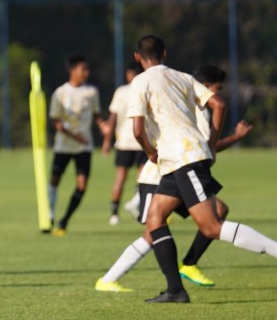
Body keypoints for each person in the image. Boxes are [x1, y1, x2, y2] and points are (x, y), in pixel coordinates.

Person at [126, 35, 277, 303]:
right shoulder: (183, 76)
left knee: (210, 227)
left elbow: (137, 129)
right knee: (155, 218)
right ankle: (175, 291)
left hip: (183, 157)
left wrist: (150, 152)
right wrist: (212, 142)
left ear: (138, 58)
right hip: (176, 160)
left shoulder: (140, 82)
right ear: (165, 52)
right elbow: (218, 103)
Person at [96, 64, 253, 292]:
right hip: (157, 176)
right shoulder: (198, 110)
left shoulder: (187, 104)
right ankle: (109, 279)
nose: (218, 94)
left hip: (174, 171)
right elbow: (208, 148)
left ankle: (187, 266)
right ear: (206, 87)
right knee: (153, 232)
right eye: (217, 89)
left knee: (217, 212)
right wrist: (236, 137)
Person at [47, 55, 109, 236]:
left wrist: (102, 125)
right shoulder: (60, 93)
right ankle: (49, 213)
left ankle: (64, 220)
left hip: (84, 148)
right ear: (72, 70)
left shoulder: (91, 92)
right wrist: (75, 136)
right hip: (63, 146)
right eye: (83, 69)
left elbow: (96, 114)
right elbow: (55, 122)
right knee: (54, 181)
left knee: (82, 185)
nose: (86, 73)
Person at [102, 62, 146, 225]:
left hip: (129, 142)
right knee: (140, 178)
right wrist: (107, 139)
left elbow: (112, 117)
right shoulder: (141, 90)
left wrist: (107, 140)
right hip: (137, 141)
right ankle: (135, 207)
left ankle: (115, 213)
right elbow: (113, 118)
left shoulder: (122, 91)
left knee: (123, 178)